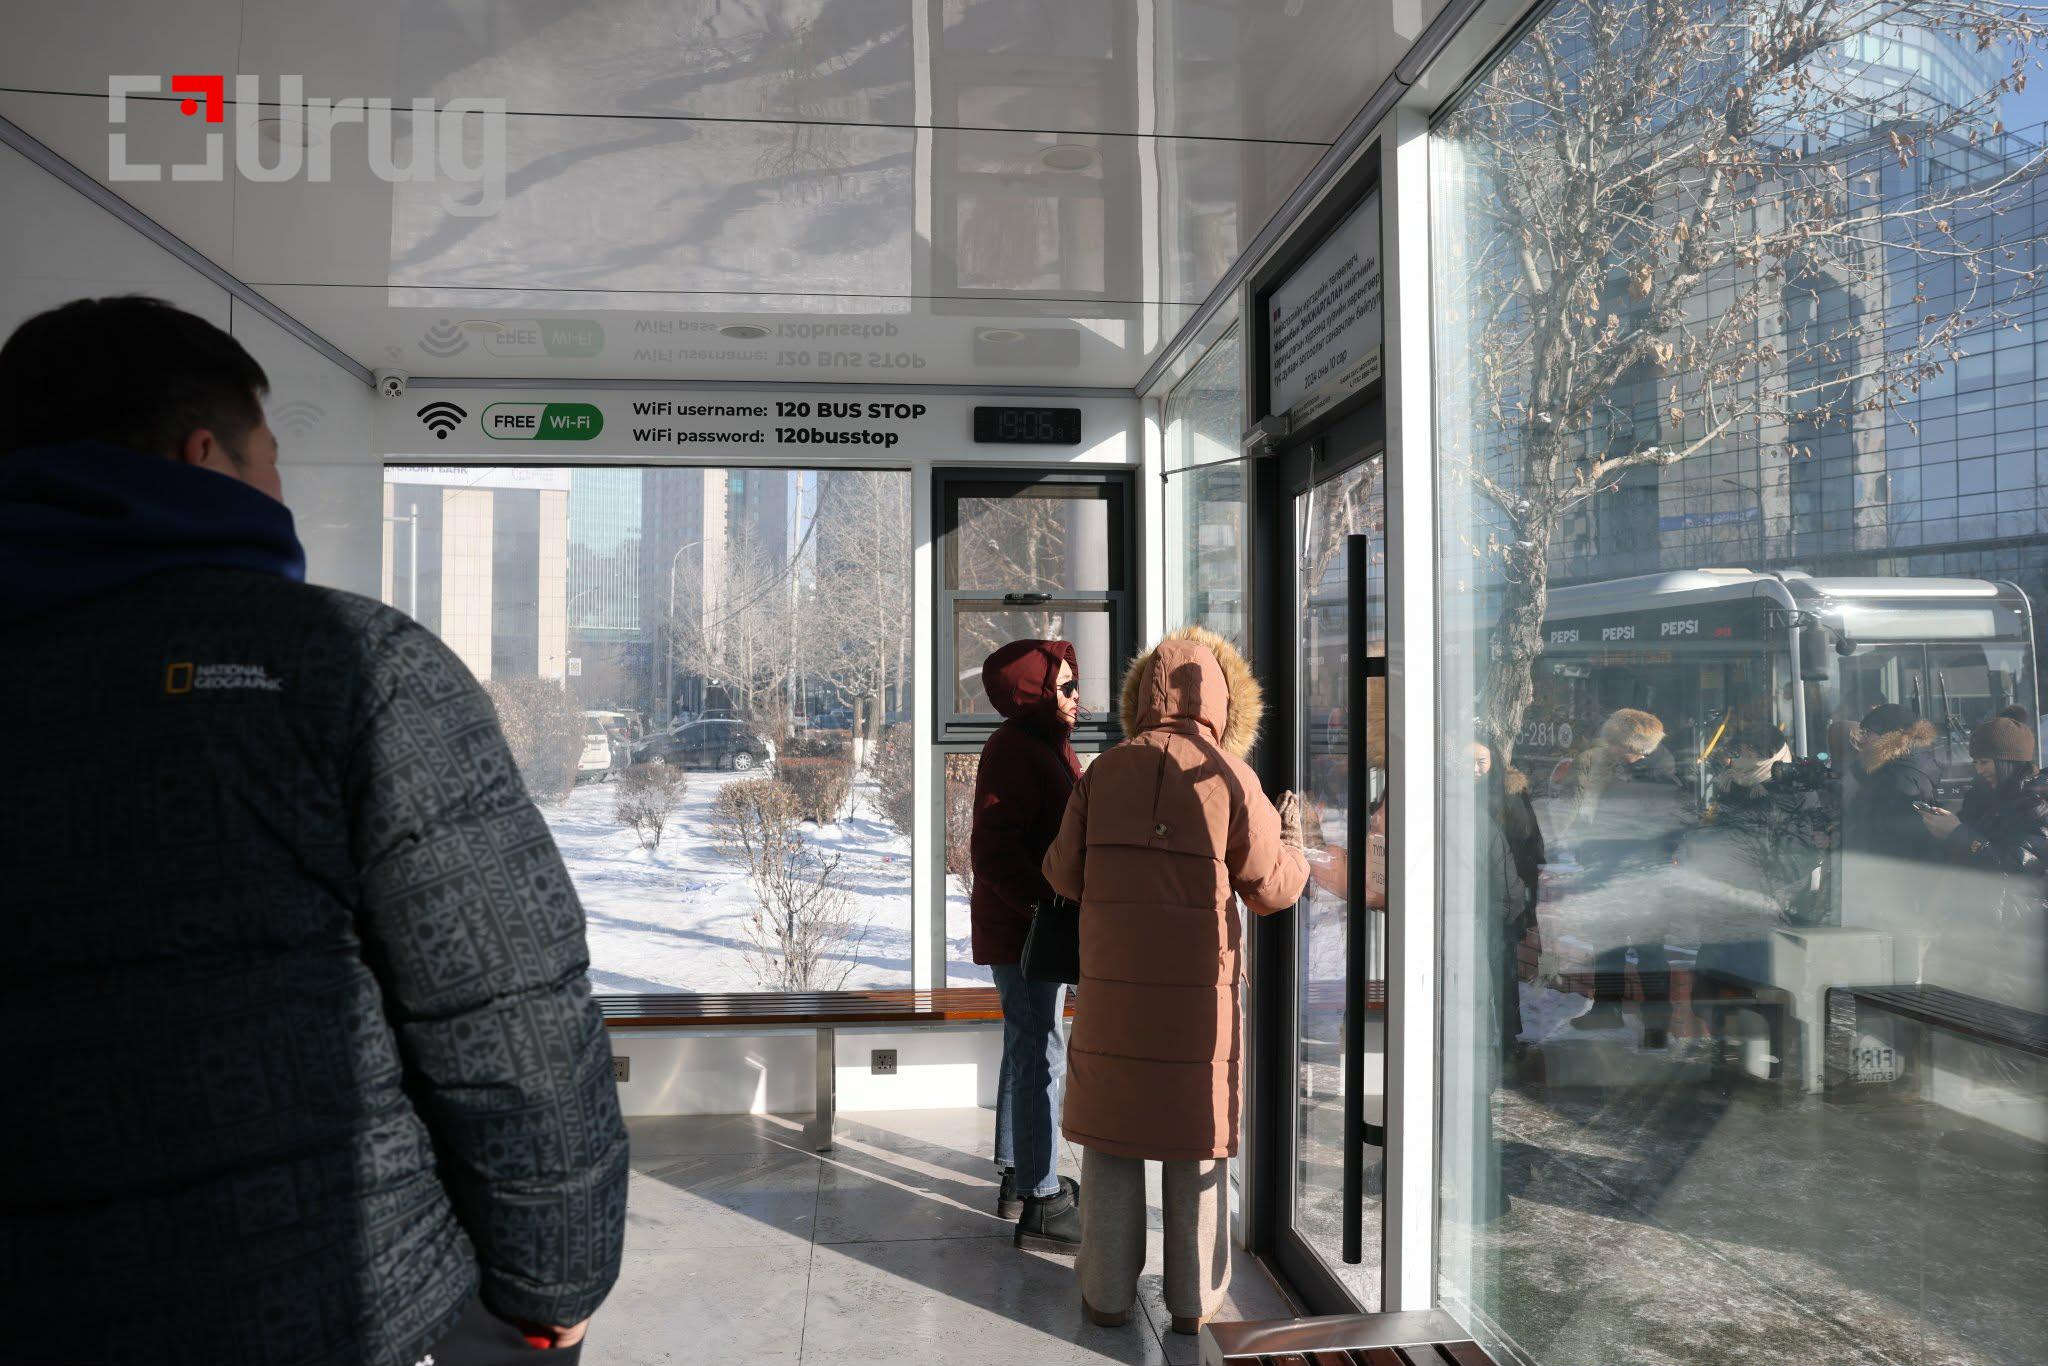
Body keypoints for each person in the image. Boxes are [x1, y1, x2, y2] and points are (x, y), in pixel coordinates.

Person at [0, 298, 628, 1366]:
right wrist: (554, 1276)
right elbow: (508, 1015)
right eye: (272, 458)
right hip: (334, 1297)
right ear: (206, 456)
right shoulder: (351, 666)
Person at [1041, 627, 1308, 1335]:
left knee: (1111, 1140)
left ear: (1143, 695)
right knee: (1195, 1146)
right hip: (1198, 1008)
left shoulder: (1104, 772)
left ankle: (1105, 1296)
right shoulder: (1232, 778)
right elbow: (1272, 889)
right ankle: (1194, 1305)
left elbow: (1061, 872)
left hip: (1113, 997)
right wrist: (1293, 844)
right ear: (1223, 699)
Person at [969, 638, 1084, 1251]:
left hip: (1028, 925)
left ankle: (1020, 1173)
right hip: (1026, 931)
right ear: (1034, 692)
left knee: (1027, 1046)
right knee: (1042, 1052)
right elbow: (992, 851)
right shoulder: (1017, 749)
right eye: (1064, 686)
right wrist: (1043, 908)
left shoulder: (1043, 744)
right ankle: (1042, 1199)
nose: (1076, 695)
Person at [1567, 707, 1686, 1047]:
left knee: (1648, 952)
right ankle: (1608, 1010)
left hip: (1642, 881)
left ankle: (1656, 1026)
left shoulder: (1658, 782)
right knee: (1609, 948)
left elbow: (1667, 834)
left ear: (1631, 746)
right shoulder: (1619, 774)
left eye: (1614, 741)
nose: (1608, 746)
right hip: (1613, 875)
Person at [1920, 707, 2048, 924]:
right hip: (1982, 917)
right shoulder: (1981, 798)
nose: (1979, 770)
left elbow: (2016, 867)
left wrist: (1959, 833)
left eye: (1984, 762)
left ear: (2007, 761)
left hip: (2018, 924)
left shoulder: (2037, 804)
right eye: (1975, 762)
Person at [1843, 702, 1943, 861]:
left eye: (1867, 733)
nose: (1862, 740)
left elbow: (1889, 841)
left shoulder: (1897, 781)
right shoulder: (1901, 770)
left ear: (1889, 737)